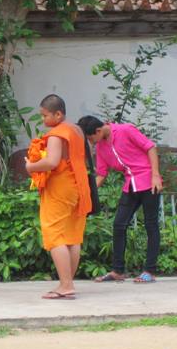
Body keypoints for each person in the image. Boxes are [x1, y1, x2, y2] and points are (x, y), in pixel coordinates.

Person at [77, 115, 162, 284]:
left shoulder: (126, 130)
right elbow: (101, 174)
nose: (91, 143)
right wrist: (84, 193)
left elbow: (150, 147)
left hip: (148, 181)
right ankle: (117, 271)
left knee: (150, 225)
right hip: (130, 185)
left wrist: (156, 175)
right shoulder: (101, 147)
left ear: (98, 131)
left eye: (90, 138)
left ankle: (150, 271)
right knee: (118, 224)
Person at [25, 94, 92, 299]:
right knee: (72, 236)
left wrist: (31, 166)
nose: (43, 120)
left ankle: (65, 284)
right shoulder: (77, 130)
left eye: (45, 116)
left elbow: (52, 162)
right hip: (79, 186)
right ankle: (67, 283)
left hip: (61, 187)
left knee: (54, 234)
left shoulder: (57, 134)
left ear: (58, 114)